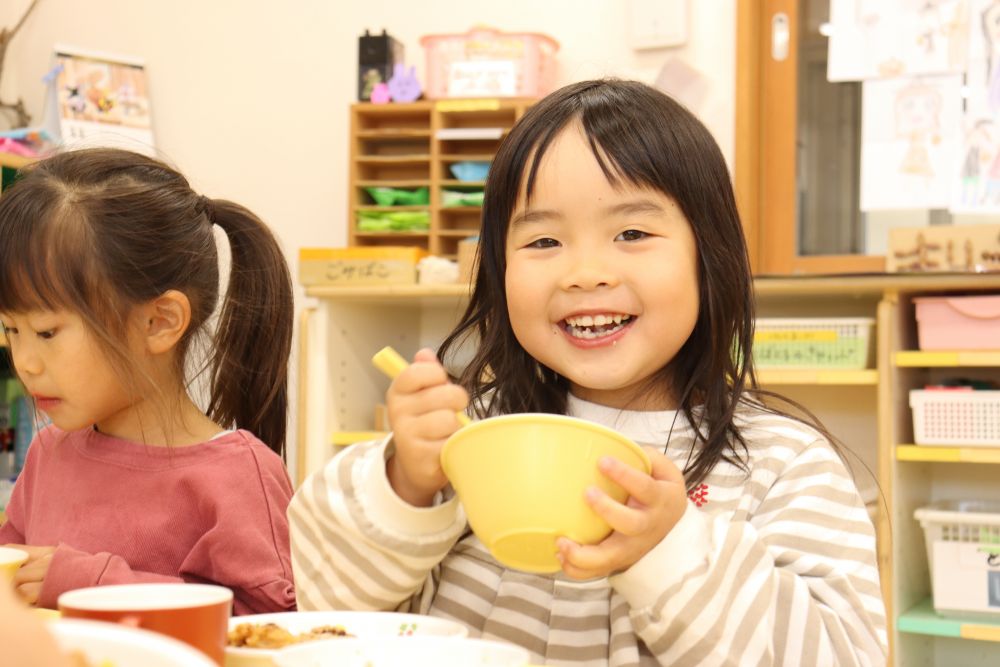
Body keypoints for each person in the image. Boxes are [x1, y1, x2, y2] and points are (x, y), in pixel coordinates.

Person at [288, 80, 887, 665]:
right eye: (544, 240)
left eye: (631, 233)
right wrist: (404, 485)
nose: (586, 272)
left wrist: (672, 546)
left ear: (710, 258)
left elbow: (840, 654)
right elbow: (322, 601)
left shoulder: (782, 463)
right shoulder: (471, 440)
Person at [0, 147, 296, 615]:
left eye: (46, 332)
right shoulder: (48, 453)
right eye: (10, 330)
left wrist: (98, 585)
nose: (26, 362)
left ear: (159, 322)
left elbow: (267, 633)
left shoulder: (235, 477)